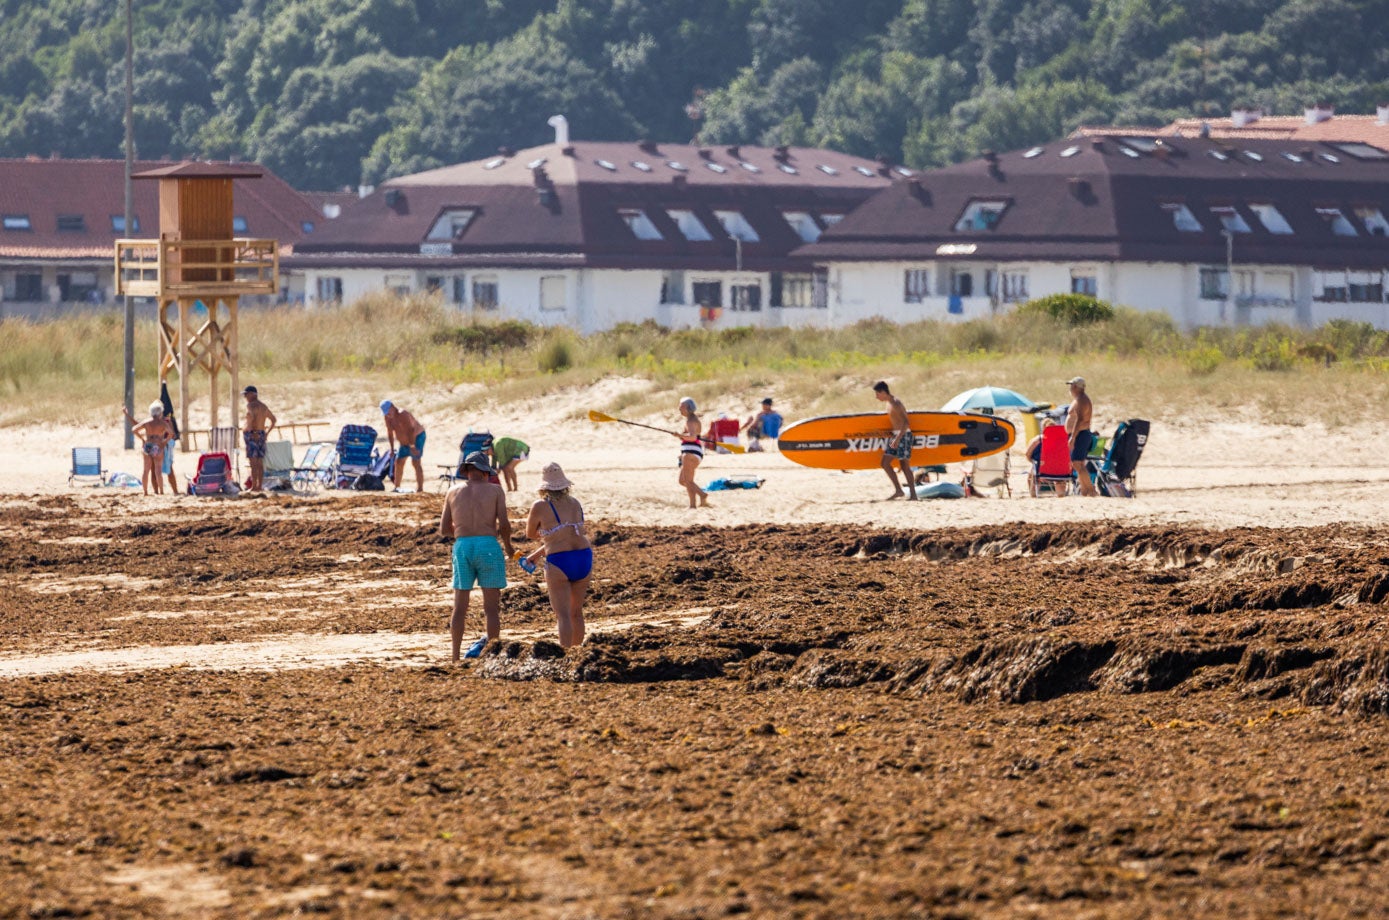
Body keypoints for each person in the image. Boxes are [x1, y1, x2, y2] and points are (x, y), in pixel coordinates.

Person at [439, 451, 514, 662]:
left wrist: (463, 532)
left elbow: (444, 529)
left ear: (467, 471)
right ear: (485, 472)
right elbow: (504, 525)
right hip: (488, 545)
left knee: (459, 607)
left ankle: (455, 656)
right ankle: (493, 656)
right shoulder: (495, 490)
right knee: (491, 609)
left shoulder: (452, 491)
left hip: (462, 546)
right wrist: (509, 547)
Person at [525, 462, 593, 648]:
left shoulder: (540, 505)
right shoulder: (575, 503)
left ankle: (564, 655)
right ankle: (577, 653)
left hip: (559, 561)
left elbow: (530, 534)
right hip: (583, 556)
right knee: (576, 612)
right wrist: (538, 553)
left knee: (563, 615)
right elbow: (570, 533)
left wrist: (545, 532)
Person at [874, 381, 916, 500]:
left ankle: (913, 494)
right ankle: (898, 490)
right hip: (896, 436)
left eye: (877, 394)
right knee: (885, 463)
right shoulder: (888, 403)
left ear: (883, 392)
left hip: (903, 436)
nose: (876, 397)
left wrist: (898, 438)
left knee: (905, 465)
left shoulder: (896, 403)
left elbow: (906, 422)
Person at [381, 399, 426, 492]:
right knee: (398, 462)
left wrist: (412, 446)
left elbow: (410, 430)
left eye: (388, 411)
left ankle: (420, 488)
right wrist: (392, 449)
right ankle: (397, 487)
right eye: (386, 413)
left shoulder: (403, 414)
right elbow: (390, 433)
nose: (388, 414)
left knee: (416, 462)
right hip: (404, 442)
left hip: (417, 438)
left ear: (392, 407)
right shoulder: (387, 418)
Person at [129, 402, 173, 496]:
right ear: (160, 412)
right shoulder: (162, 423)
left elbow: (134, 429)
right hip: (157, 445)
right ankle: (161, 491)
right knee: (158, 470)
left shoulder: (147, 422)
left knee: (146, 470)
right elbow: (171, 433)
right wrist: (164, 442)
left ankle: (145, 492)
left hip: (148, 445)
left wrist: (142, 438)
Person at [1065, 376, 1099, 497]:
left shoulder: (1082, 400)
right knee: (1078, 464)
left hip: (1080, 434)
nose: (1070, 388)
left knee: (1077, 463)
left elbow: (1079, 420)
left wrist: (1073, 437)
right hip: (1080, 434)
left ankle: (1091, 490)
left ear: (1076, 387)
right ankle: (1085, 490)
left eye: (1071, 386)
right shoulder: (1079, 399)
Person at [241, 386, 277, 492]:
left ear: (253, 394)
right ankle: (259, 486)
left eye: (246, 394)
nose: (245, 397)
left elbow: (252, 418)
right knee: (260, 461)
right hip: (261, 434)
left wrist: (252, 431)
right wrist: (266, 433)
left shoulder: (251, 406)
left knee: (253, 462)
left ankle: (254, 486)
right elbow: (273, 420)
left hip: (253, 435)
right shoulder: (263, 406)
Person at [677, 397, 710, 508]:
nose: (679, 408)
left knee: (688, 480)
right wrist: (680, 436)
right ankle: (702, 494)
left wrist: (680, 435)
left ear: (687, 407)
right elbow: (690, 436)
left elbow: (692, 437)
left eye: (681, 406)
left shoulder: (691, 421)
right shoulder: (691, 420)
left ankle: (692, 505)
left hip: (691, 452)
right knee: (682, 480)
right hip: (691, 451)